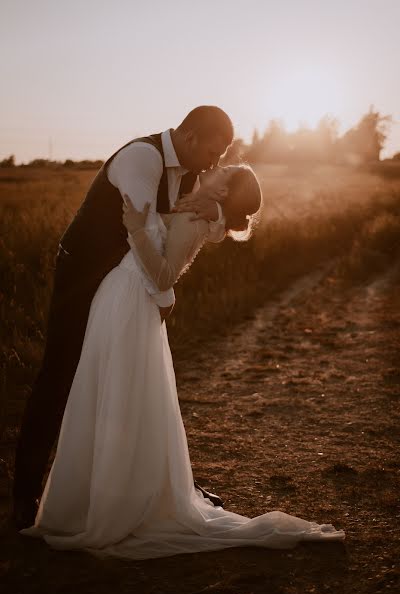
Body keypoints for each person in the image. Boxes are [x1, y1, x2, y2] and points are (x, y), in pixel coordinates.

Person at [19, 165, 345, 560]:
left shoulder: (196, 219)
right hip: (120, 300)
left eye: (220, 172)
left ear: (223, 190)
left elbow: (163, 277)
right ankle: (95, 497)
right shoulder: (193, 208)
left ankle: (112, 504)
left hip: (130, 303)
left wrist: (137, 228)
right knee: (107, 394)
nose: (211, 170)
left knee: (119, 398)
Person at [13, 106, 235, 529]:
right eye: (213, 149)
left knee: (134, 377)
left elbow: (187, 223)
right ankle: (25, 496)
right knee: (59, 376)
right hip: (84, 273)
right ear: (189, 136)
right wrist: (165, 293)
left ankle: (167, 485)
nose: (215, 162)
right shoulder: (141, 158)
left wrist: (218, 218)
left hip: (129, 282)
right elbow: (148, 230)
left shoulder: (188, 172)